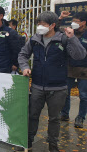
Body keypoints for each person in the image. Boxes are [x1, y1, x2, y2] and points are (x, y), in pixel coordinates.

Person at [18, 11, 86, 151]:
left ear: (52, 25)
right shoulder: (35, 39)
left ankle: (53, 145)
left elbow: (80, 56)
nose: (39, 27)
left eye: (42, 24)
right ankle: (28, 142)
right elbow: (23, 54)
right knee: (32, 115)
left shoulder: (64, 39)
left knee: (54, 118)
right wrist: (25, 67)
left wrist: (72, 38)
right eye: (38, 24)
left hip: (58, 88)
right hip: (37, 86)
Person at [61, 11, 87, 128]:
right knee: (65, 92)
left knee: (83, 95)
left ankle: (80, 117)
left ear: (83, 23)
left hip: (84, 70)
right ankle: (64, 114)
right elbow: (56, 28)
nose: (74, 23)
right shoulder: (70, 32)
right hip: (70, 67)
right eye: (73, 21)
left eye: (76, 21)